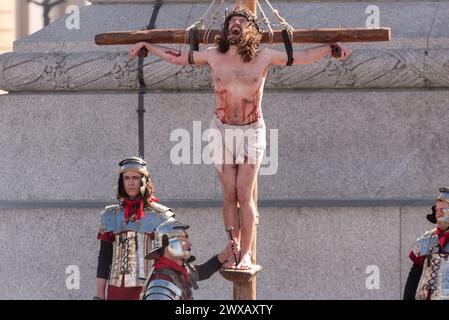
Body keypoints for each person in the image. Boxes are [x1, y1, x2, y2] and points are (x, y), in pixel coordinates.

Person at [129, 8, 352, 270]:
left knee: (244, 194)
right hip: (222, 130)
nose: (236, 23)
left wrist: (330, 48)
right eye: (232, 20)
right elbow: (178, 57)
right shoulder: (214, 55)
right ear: (226, 29)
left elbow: (301, 57)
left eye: (242, 21)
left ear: (251, 30)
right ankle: (232, 246)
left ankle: (245, 253)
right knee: (228, 195)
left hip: (251, 130)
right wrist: (148, 45)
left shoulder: (264, 56)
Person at [95, 156, 176, 300]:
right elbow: (104, 258)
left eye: (135, 178)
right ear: (121, 182)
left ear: (144, 181)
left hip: (149, 290)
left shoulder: (160, 216)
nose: (131, 183)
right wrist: (99, 294)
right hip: (115, 291)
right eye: (126, 178)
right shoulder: (110, 215)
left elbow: (173, 260)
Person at [140, 219, 238, 300]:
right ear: (168, 245)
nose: (189, 244)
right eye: (183, 240)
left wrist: (226, 253)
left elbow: (204, 271)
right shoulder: (160, 283)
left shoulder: (178, 270)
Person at [403, 187, 449, 300]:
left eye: (442, 210)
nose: (438, 214)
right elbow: (414, 276)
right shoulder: (427, 238)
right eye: (437, 210)